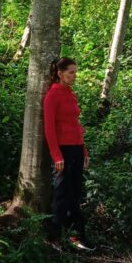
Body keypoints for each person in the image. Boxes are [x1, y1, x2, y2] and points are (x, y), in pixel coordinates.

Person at [43, 57, 93, 252]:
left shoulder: (70, 94)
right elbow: (49, 129)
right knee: (62, 193)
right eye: (71, 72)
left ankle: (76, 236)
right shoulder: (52, 95)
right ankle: (54, 238)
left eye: (75, 72)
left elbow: (76, 125)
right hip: (63, 151)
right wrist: (56, 155)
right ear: (60, 73)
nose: (74, 76)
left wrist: (84, 150)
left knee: (75, 192)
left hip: (76, 149)